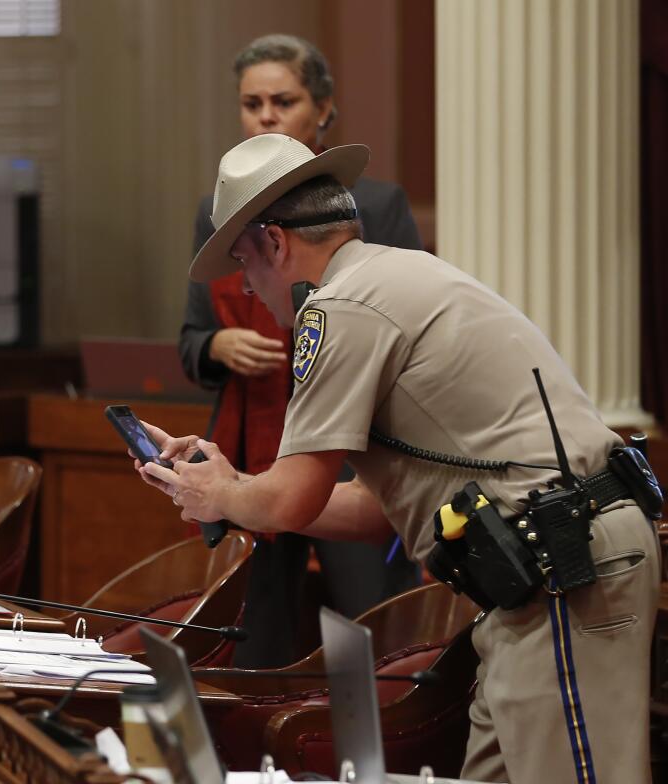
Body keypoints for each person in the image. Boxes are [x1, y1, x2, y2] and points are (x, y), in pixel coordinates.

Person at [139, 132, 659, 781]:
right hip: (537, 574)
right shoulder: (386, 274)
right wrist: (237, 484)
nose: (246, 284)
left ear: (276, 242)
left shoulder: (339, 307)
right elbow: (371, 510)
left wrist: (220, 495)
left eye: (244, 262)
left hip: (563, 570)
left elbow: (293, 498)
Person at [179, 33, 422, 667]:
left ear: (322, 109)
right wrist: (217, 345)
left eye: (281, 101)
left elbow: (396, 332)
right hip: (252, 436)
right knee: (251, 637)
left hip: (350, 455)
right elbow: (190, 340)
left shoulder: (373, 206)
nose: (264, 116)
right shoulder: (218, 209)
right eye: (251, 103)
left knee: (368, 630)